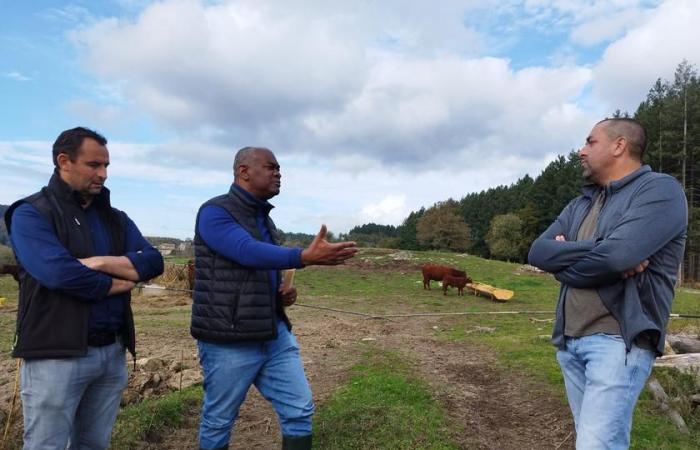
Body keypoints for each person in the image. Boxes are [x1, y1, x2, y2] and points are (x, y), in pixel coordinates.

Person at [528, 118, 687, 449]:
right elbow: (539, 251)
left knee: (595, 445)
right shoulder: (583, 202)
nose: (580, 151)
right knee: (601, 442)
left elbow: (617, 256)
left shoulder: (660, 190)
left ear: (619, 146)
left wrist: (567, 259)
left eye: (590, 142)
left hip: (618, 342)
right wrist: (601, 247)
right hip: (571, 340)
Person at [4, 127, 164, 449]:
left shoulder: (115, 219)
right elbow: (59, 274)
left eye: (106, 166)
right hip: (55, 355)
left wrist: (101, 262)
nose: (103, 174)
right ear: (64, 161)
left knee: (94, 444)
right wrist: (121, 281)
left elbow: (153, 262)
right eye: (94, 165)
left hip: (111, 352)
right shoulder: (31, 214)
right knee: (45, 445)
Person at [191, 146, 358, 450]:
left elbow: (260, 268)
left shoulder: (265, 222)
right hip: (229, 337)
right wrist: (302, 256)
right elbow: (245, 251)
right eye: (271, 167)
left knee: (299, 410)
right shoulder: (215, 212)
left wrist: (282, 292)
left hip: (273, 332)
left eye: (279, 169)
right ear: (244, 171)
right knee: (219, 421)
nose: (278, 173)